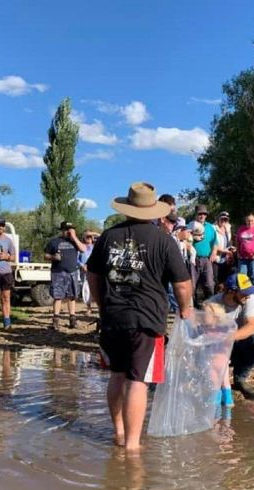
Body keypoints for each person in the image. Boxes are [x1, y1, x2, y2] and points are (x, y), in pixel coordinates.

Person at [87, 181, 193, 453]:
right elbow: (182, 283)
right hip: (147, 320)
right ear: (154, 210)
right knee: (138, 381)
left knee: (117, 375)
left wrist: (102, 305)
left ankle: (119, 434)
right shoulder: (163, 239)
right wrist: (186, 309)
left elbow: (93, 275)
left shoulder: (108, 237)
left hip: (112, 317)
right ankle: (132, 448)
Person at [214, 273, 254, 392]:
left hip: (237, 344)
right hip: (218, 348)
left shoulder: (249, 297)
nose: (247, 296)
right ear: (232, 291)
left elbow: (252, 325)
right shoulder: (213, 303)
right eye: (244, 293)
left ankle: (240, 378)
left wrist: (230, 337)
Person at [44, 221, 86, 330]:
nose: (69, 231)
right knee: (58, 296)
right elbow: (46, 255)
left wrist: (74, 237)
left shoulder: (75, 241)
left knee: (72, 296)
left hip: (72, 271)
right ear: (62, 230)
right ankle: (55, 320)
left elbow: (83, 249)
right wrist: (53, 257)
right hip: (58, 272)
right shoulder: (54, 242)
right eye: (67, 229)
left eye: (71, 229)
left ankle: (72, 319)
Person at [187, 205, 217, 304]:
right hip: (193, 259)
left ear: (206, 215)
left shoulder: (210, 227)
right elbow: (184, 241)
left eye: (204, 214)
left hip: (206, 259)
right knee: (192, 284)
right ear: (196, 214)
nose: (202, 215)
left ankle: (210, 305)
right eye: (200, 213)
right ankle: (193, 307)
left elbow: (214, 242)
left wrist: (213, 253)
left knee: (209, 284)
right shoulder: (190, 226)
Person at [78, 229, 99, 313]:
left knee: (97, 289)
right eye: (87, 236)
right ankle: (88, 308)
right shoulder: (80, 247)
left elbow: (100, 235)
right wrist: (81, 265)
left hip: (94, 270)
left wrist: (92, 233)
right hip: (84, 271)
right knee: (86, 289)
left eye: (90, 237)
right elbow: (76, 259)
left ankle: (99, 307)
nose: (89, 238)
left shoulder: (96, 247)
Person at [212, 211, 235, 286]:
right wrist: (224, 250)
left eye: (226, 219)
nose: (223, 221)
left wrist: (231, 249)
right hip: (216, 258)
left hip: (225, 258)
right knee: (215, 279)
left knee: (225, 278)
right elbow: (212, 244)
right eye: (222, 219)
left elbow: (229, 241)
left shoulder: (228, 228)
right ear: (218, 219)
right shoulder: (213, 228)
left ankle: (223, 295)